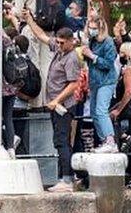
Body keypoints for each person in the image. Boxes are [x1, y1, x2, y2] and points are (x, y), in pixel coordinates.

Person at [23, 12, 81, 193]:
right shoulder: (59, 49)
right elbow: (41, 36)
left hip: (62, 105)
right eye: (59, 42)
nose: (60, 45)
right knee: (59, 141)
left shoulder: (71, 58)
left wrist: (56, 100)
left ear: (71, 41)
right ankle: (64, 177)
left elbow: (73, 84)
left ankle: (67, 179)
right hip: (54, 104)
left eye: (63, 43)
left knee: (61, 140)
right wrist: (29, 20)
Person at [11, 0, 54, 108]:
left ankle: (34, 103)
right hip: (47, 28)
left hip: (30, 27)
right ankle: (46, 101)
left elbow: (18, 12)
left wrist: (11, 8)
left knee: (32, 65)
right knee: (46, 65)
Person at [81, 15, 119, 153]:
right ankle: (104, 140)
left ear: (101, 28)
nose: (91, 30)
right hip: (95, 82)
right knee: (93, 112)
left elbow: (108, 64)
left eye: (94, 28)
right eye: (90, 28)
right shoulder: (92, 41)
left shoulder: (108, 42)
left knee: (101, 110)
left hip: (106, 81)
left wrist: (92, 56)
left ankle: (110, 140)